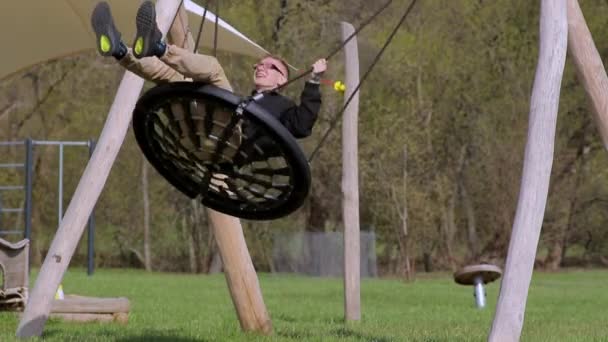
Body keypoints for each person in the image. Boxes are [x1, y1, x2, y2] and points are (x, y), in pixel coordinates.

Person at [91, 1, 327, 139]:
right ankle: (121, 51)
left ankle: (159, 47)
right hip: (206, 129)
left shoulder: (282, 108)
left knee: (214, 69)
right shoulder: (250, 99)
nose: (262, 67)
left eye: (270, 66)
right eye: (260, 64)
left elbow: (302, 125)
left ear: (282, 80)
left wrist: (314, 81)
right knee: (175, 78)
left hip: (231, 141)